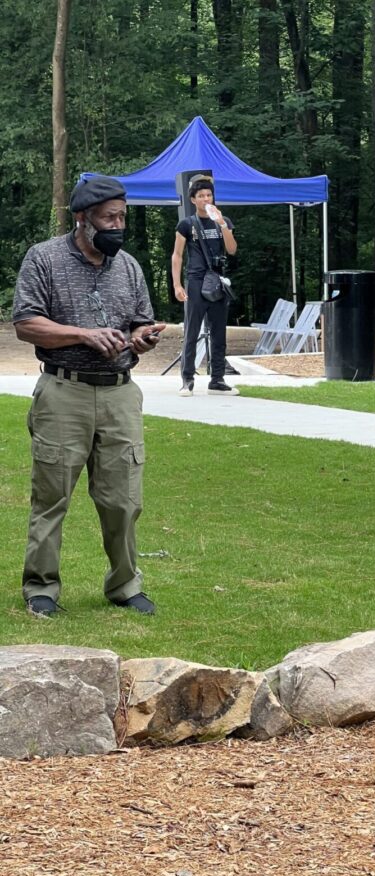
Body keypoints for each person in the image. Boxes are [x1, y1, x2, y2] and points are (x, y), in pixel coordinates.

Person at [13, 175, 165, 617]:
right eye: (109, 218)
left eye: (122, 216)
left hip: (120, 395)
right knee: (52, 495)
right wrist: (83, 333)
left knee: (124, 500)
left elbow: (141, 321)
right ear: (82, 219)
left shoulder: (130, 267)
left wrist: (142, 338)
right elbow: (26, 323)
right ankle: (41, 589)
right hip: (64, 392)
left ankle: (125, 585)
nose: (118, 225)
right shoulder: (44, 259)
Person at [171, 174, 238, 397]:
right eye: (201, 196)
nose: (206, 199)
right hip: (196, 281)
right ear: (193, 200)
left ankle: (217, 379)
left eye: (209, 195)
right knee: (192, 331)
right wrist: (177, 284)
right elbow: (177, 255)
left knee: (219, 332)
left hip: (217, 281)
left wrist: (222, 225)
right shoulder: (187, 224)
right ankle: (187, 380)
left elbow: (231, 249)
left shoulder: (223, 221)